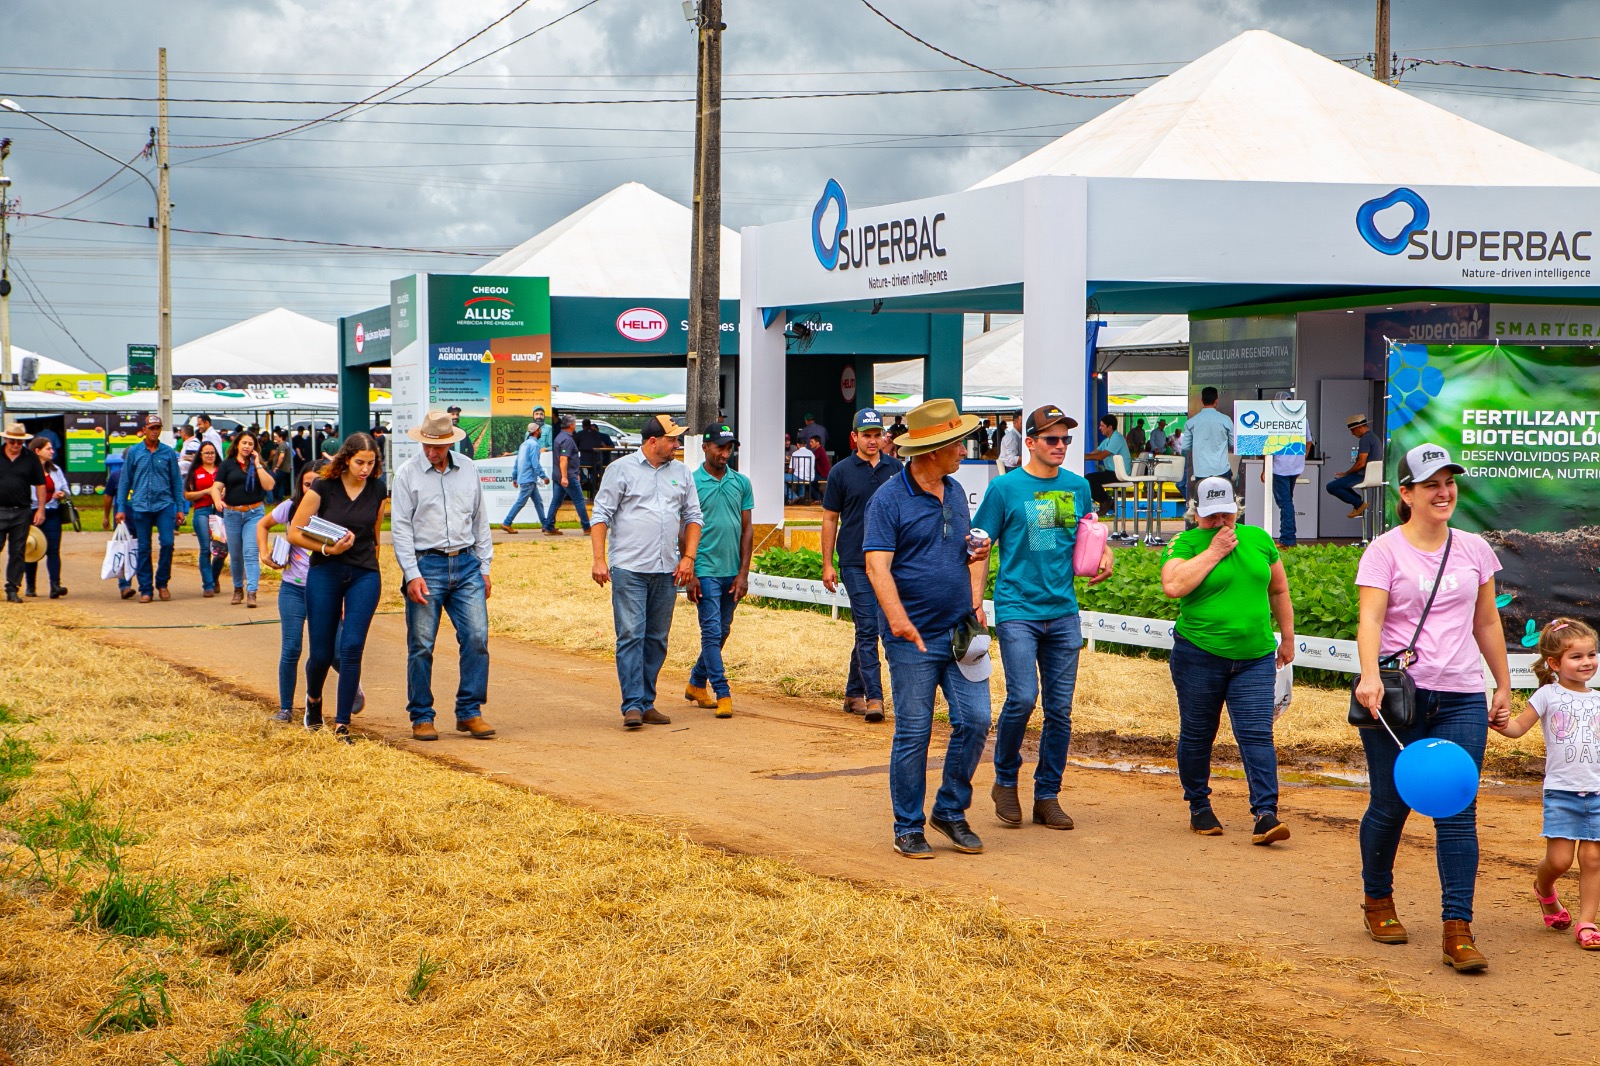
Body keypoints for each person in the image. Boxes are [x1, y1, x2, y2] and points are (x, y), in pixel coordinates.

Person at [1352, 443, 1511, 972]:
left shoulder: (1474, 549)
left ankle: (1457, 929)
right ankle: (1378, 901)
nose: (1444, 492)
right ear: (1407, 493)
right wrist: (1370, 676)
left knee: (1457, 807)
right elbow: (1371, 621)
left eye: (1449, 482)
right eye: (1431, 484)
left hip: (1463, 693)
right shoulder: (1384, 551)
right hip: (1398, 697)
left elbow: (1486, 622)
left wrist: (1503, 685)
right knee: (1390, 804)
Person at [863, 398, 992, 860]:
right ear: (931, 450)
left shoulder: (955, 492)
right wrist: (897, 620)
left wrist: (976, 583)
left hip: (961, 632)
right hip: (910, 636)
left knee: (976, 719)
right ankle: (907, 826)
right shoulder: (889, 500)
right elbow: (877, 565)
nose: (963, 450)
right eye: (956, 443)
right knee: (915, 731)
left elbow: (966, 549)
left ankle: (951, 811)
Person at [974, 404, 1112, 832]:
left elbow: (1086, 530)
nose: (1060, 446)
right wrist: (975, 603)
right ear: (1029, 442)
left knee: (1061, 711)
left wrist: (1104, 554)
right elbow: (979, 547)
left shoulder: (1076, 486)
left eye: (1066, 439)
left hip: (1063, 612)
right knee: (1021, 698)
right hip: (1017, 610)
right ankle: (1004, 781)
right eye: (1051, 439)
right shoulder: (1005, 489)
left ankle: (1047, 795)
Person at [1160, 476, 1296, 844]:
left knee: (1256, 734)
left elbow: (1278, 588)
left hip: (1255, 656)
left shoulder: (1259, 539)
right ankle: (1199, 805)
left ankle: (1266, 814)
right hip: (1198, 655)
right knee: (1199, 732)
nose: (1221, 522)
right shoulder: (1185, 542)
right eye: (1212, 516)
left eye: (1227, 513)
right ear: (1197, 513)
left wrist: (1287, 636)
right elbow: (1173, 586)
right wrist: (1214, 551)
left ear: (1237, 508)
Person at [1492, 618, 1600, 951]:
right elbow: (1516, 729)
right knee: (1559, 862)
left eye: (1592, 654)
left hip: (1597, 792)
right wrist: (1498, 722)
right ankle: (1545, 892)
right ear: (1554, 663)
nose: (1587, 662)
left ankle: (1587, 922)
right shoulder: (1546, 695)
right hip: (1562, 792)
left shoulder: (1598, 699)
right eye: (1577, 656)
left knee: (1594, 859)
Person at [590, 414, 702, 730]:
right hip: (629, 569)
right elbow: (600, 516)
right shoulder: (621, 470)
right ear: (653, 441)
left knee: (656, 638)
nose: (677, 445)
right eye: (672, 440)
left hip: (667, 569)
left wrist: (688, 558)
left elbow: (693, 517)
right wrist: (599, 559)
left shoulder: (681, 473)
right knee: (630, 635)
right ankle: (632, 705)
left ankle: (646, 701)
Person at [391, 411, 497, 742]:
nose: (432, 452)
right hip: (426, 565)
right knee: (421, 644)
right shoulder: (408, 475)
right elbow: (401, 528)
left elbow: (480, 518)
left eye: (438, 446)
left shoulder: (467, 469)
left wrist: (485, 566)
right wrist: (411, 574)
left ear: (451, 442)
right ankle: (421, 715)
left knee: (477, 638)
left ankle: (470, 711)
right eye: (427, 445)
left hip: (466, 564)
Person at [288, 433, 388, 742]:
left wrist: (373, 564)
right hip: (326, 571)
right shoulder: (323, 487)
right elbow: (294, 533)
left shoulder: (377, 489)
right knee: (320, 653)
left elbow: (375, 535)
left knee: (352, 647)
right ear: (345, 459)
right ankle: (314, 700)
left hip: (364, 574)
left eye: (371, 464)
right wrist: (327, 550)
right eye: (360, 462)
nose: (365, 470)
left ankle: (342, 724)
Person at [258, 460, 363, 724]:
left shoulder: (333, 511)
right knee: (291, 648)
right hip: (293, 588)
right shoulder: (291, 508)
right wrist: (264, 554)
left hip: (326, 590)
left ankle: (352, 687)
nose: (311, 488)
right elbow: (263, 525)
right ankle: (285, 708)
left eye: (317, 483)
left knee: (335, 653)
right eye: (307, 484)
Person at [822, 409, 903, 722]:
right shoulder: (841, 472)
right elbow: (830, 519)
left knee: (873, 628)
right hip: (855, 561)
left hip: (890, 562)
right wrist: (827, 563)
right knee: (869, 627)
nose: (872, 441)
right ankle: (875, 697)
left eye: (877, 435)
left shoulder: (897, 469)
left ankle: (853, 692)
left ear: (884, 437)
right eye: (866, 435)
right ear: (854, 437)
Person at [683, 422, 754, 719]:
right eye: (720, 448)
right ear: (705, 448)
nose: (725, 453)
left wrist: (743, 573)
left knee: (722, 631)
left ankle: (697, 683)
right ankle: (722, 692)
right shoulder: (692, 482)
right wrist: (691, 570)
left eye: (729, 448)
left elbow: (747, 529)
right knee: (711, 632)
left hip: (731, 571)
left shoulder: (741, 482)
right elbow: (683, 527)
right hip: (705, 569)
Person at [114, 415, 185, 604]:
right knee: (143, 548)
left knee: (168, 543)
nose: (155, 431)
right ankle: (146, 588)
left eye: (158, 428)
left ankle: (162, 583)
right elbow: (125, 481)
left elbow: (177, 481)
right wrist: (121, 507)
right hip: (140, 506)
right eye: (152, 427)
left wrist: (180, 507)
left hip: (164, 504)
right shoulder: (135, 452)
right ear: (144, 430)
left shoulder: (168, 452)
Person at [212, 430, 276, 609]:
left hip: (254, 513)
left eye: (250, 444)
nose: (247, 446)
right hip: (232, 513)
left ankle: (252, 591)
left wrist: (258, 465)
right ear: (237, 445)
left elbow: (269, 485)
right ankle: (237, 588)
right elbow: (216, 487)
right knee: (236, 555)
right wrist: (218, 500)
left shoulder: (258, 464)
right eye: (244, 443)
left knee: (250, 552)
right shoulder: (227, 465)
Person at [2, 428, 49, 603]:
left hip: (21, 510)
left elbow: (40, 484)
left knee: (18, 551)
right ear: (6, 439)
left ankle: (12, 588)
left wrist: (41, 509)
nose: (15, 445)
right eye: (12, 441)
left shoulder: (30, 458)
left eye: (19, 442)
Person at [1181, 388, 1234, 526]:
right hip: (1222, 469)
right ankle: (1223, 530)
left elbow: (1185, 446)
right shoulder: (1225, 420)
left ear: (1201, 400)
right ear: (1216, 400)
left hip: (1201, 471)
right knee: (1224, 505)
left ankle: (1204, 530)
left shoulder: (1191, 422)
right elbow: (1234, 443)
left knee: (1203, 504)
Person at [184, 440, 225, 598]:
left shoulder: (221, 470)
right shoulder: (195, 472)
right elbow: (187, 495)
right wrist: (206, 491)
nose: (210, 455)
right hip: (202, 510)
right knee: (205, 548)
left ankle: (214, 578)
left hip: (219, 511)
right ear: (200, 455)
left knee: (221, 550)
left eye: (212, 453)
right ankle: (208, 585)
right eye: (206, 452)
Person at [1326, 413, 1381, 519]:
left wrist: (1346, 473)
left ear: (1359, 427)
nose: (1352, 433)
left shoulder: (1365, 439)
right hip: (1373, 475)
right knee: (1339, 483)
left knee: (1331, 486)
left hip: (1362, 475)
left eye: (1353, 430)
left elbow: (1361, 463)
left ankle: (1359, 504)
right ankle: (1358, 503)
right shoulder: (1374, 437)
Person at [543, 414, 590, 536]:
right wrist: (565, 476)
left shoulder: (560, 437)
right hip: (567, 476)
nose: (575, 425)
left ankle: (549, 526)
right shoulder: (567, 440)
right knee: (579, 500)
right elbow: (563, 459)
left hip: (559, 475)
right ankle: (586, 526)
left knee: (556, 501)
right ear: (570, 425)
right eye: (574, 423)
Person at [501, 421, 548, 533]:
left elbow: (517, 462)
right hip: (529, 478)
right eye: (540, 429)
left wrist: (515, 477)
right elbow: (535, 463)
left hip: (525, 478)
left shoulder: (523, 444)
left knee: (538, 502)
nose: (541, 431)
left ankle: (546, 525)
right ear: (536, 431)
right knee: (521, 502)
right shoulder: (535, 445)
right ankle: (507, 522)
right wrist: (543, 476)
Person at [1082, 414, 1132, 517]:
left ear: (1110, 427)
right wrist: (1079, 456)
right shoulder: (1107, 440)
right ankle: (1107, 501)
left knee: (1089, 479)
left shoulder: (1117, 438)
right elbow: (1093, 453)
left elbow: (1100, 456)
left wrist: (1083, 457)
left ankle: (1106, 501)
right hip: (1111, 472)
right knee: (1088, 479)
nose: (1100, 428)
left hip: (1120, 473)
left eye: (1102, 426)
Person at [786, 437, 817, 504]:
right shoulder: (811, 453)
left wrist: (788, 475)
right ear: (805, 445)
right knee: (801, 477)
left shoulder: (795, 453)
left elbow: (791, 469)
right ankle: (801, 498)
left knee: (779, 478)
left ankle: (793, 496)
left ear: (797, 444)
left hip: (799, 477)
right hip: (810, 477)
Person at [268, 429, 293, 502]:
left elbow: (281, 456)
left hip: (281, 469)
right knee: (281, 484)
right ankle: (279, 499)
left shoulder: (282, 445)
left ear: (281, 437)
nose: (275, 438)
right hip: (285, 468)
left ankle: (274, 499)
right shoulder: (286, 444)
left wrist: (277, 467)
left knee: (273, 483)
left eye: (276, 437)